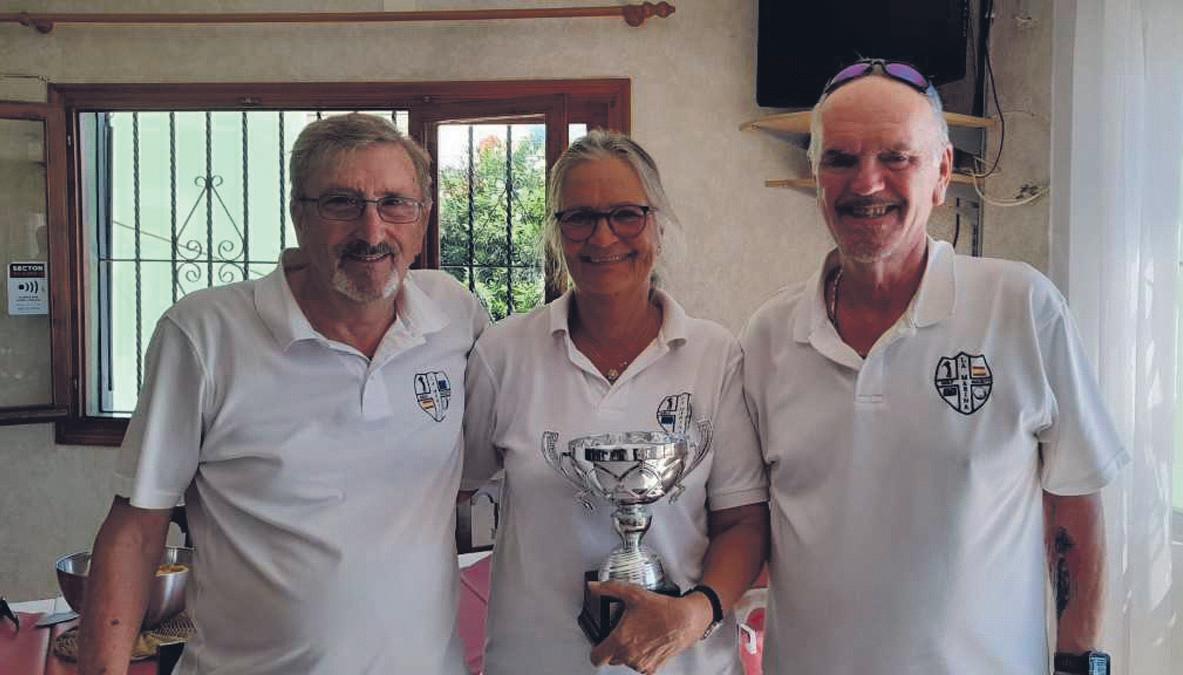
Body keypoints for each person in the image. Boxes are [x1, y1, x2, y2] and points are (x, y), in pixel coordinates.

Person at [741, 59, 1129, 675]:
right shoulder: (767, 335)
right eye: (840, 159)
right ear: (817, 177)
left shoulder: (1022, 307)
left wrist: (1081, 665)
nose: (867, 183)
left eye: (896, 157)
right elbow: (748, 523)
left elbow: (1075, 507)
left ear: (942, 172)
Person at [78, 113, 487, 674]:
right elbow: (136, 529)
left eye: (395, 203)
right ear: (299, 215)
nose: (372, 232)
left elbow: (472, 467)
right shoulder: (204, 334)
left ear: (423, 217)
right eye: (341, 203)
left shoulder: (454, 314)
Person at [462, 130, 769, 674]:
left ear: (658, 226)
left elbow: (743, 520)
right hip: (538, 661)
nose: (603, 237)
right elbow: (451, 493)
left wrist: (696, 614)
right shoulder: (502, 354)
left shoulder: (715, 355)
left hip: (686, 663)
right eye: (580, 217)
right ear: (556, 233)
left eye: (626, 214)